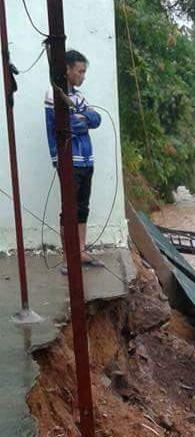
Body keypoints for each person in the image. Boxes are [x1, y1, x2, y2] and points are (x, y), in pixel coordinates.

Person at [45, 49, 103, 274]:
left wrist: (84, 117)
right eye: (80, 71)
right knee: (69, 209)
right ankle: (67, 256)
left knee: (83, 207)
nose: (83, 75)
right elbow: (66, 125)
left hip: (86, 159)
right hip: (68, 158)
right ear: (67, 70)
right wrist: (81, 119)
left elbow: (96, 119)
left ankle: (80, 250)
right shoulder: (53, 95)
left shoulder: (78, 96)